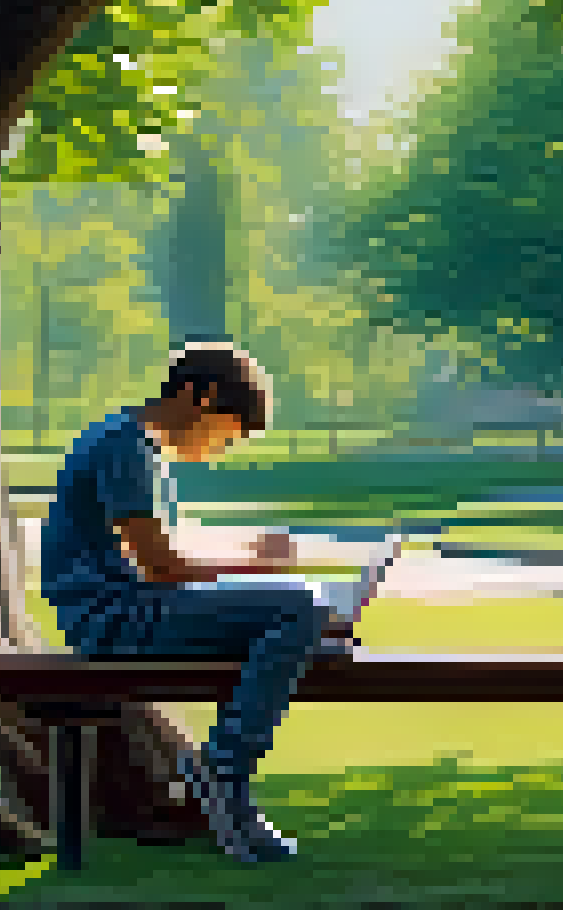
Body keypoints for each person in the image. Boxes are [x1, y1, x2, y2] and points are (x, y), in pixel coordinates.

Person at [40, 341, 342, 863]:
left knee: (306, 622)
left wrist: (249, 577)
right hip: (114, 618)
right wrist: (258, 571)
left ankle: (227, 779)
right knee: (299, 606)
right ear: (196, 396)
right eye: (227, 431)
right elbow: (161, 566)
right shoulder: (125, 447)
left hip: (129, 608)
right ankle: (223, 770)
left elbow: (161, 562)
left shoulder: (135, 446)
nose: (222, 448)